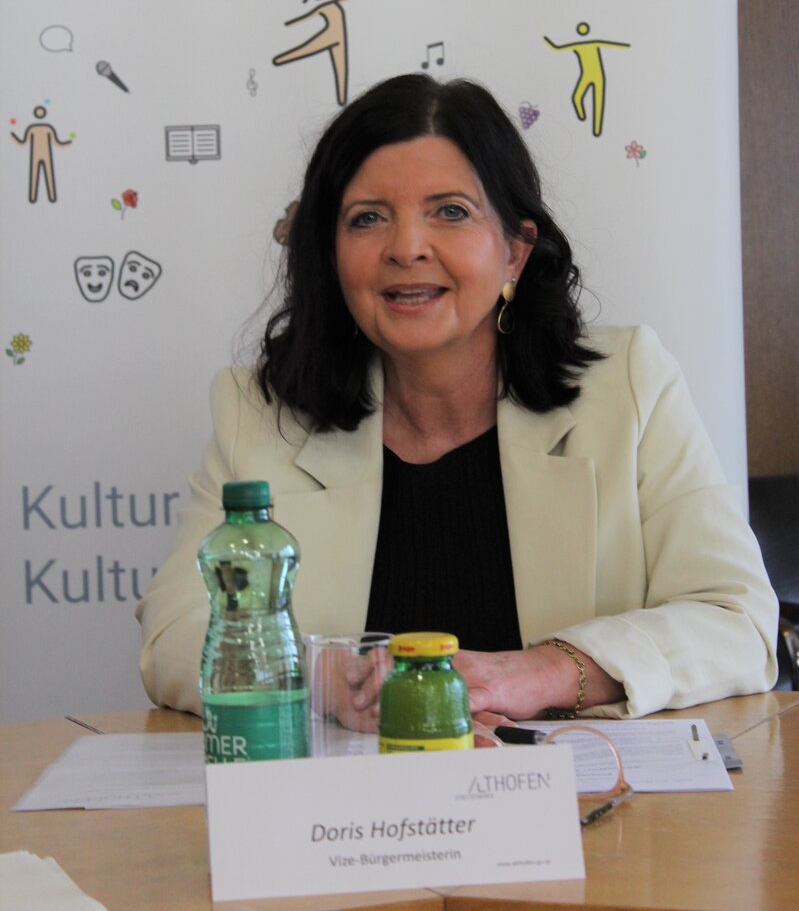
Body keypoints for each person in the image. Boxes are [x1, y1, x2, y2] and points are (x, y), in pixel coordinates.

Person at [136, 74, 778, 725]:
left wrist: (542, 672)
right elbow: (175, 631)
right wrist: (323, 680)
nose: (406, 248)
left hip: (583, 789)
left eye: (450, 212)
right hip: (352, 791)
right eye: (367, 218)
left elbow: (735, 620)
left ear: (514, 253)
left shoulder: (628, 388)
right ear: (331, 256)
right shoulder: (259, 414)